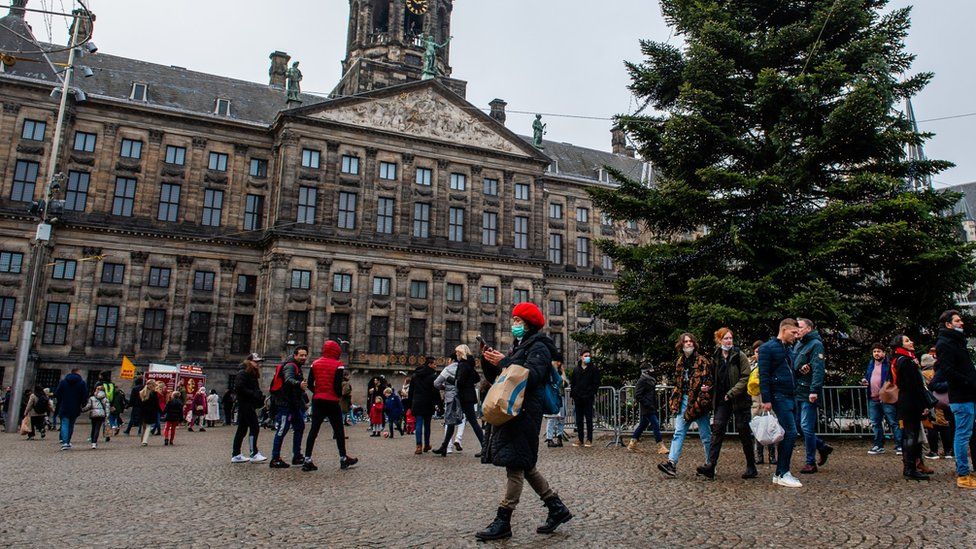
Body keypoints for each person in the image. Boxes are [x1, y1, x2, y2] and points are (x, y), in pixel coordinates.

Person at [476, 301, 571, 541]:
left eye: (517, 320)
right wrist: (489, 362)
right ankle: (556, 508)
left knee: (515, 466)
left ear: (528, 323)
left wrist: (505, 363)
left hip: (525, 412)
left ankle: (503, 520)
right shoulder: (521, 345)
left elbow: (533, 376)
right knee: (525, 464)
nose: (514, 324)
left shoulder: (539, 346)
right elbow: (503, 377)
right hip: (515, 410)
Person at [696, 328, 756, 480]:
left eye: (730, 338)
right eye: (726, 338)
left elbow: (745, 377)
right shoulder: (716, 356)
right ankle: (711, 465)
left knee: (744, 433)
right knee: (717, 430)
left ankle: (751, 466)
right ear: (719, 340)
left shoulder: (739, 355)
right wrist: (708, 387)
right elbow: (713, 377)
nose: (729, 341)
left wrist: (732, 392)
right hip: (722, 399)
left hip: (739, 399)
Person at [657, 333, 713, 478]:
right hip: (684, 401)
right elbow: (678, 384)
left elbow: (708, 380)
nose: (688, 344)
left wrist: (704, 392)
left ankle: (710, 464)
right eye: (685, 342)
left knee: (706, 435)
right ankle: (671, 462)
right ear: (681, 345)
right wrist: (675, 401)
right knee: (679, 432)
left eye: (690, 341)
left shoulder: (702, 361)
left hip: (699, 401)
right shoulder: (680, 362)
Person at [934, 309, 976, 489]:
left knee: (967, 433)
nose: (962, 323)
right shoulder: (945, 343)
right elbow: (949, 371)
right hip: (961, 396)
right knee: (962, 434)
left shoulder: (957, 342)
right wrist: (968, 381)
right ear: (949, 324)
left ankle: (967, 471)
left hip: (969, 394)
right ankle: (963, 474)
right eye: (958, 321)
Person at [758, 318, 802, 488]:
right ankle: (783, 471)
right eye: (793, 333)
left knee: (788, 433)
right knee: (790, 432)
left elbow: (790, 370)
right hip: (779, 395)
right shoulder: (767, 348)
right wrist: (766, 399)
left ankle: (780, 472)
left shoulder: (788, 349)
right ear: (784, 330)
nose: (795, 336)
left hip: (790, 394)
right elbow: (764, 375)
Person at [302, 340, 358, 471]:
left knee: (313, 430)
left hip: (318, 400)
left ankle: (307, 459)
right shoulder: (338, 365)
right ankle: (343, 458)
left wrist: (317, 392)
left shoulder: (315, 363)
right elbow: (337, 385)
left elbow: (310, 383)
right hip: (332, 401)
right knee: (339, 430)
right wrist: (337, 395)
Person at [792, 319, 834, 473]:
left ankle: (810, 462)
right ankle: (822, 447)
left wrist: (814, 390)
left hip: (808, 391)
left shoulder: (816, 345)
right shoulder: (798, 344)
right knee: (798, 425)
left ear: (808, 328)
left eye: (800, 327)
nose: (797, 330)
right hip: (798, 390)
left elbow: (818, 368)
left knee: (806, 426)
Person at [890, 334, 930, 480]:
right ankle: (910, 467)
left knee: (910, 434)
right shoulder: (906, 361)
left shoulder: (898, 360)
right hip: (910, 401)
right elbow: (913, 386)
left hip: (905, 401)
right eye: (907, 340)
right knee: (911, 435)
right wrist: (923, 405)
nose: (911, 341)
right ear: (899, 345)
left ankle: (911, 466)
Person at [269, 346, 309, 469]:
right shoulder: (290, 366)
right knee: (282, 429)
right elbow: (288, 379)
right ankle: (275, 458)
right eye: (301, 355)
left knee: (300, 426)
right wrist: (299, 384)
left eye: (305, 355)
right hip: (285, 404)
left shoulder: (297, 366)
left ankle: (297, 456)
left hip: (293, 404)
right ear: (295, 355)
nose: (303, 357)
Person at [861, 343, 902, 455]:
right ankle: (878, 445)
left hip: (886, 398)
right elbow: (868, 376)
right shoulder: (871, 364)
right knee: (875, 423)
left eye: (879, 351)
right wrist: (865, 380)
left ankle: (900, 445)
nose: (876, 353)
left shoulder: (889, 363)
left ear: (884, 352)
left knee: (893, 422)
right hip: (873, 397)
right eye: (874, 351)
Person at [232, 354, 267, 463]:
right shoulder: (243, 373)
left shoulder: (251, 373)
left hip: (248, 403)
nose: (258, 364)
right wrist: (253, 394)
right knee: (254, 427)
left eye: (258, 362)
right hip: (245, 404)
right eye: (255, 362)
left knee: (242, 430)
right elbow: (239, 387)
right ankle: (254, 453)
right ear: (249, 361)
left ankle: (236, 454)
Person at [628, 365, 667, 454]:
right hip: (647, 407)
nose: (652, 371)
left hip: (650, 406)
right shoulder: (642, 380)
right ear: (646, 371)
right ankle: (660, 446)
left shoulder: (650, 380)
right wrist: (647, 404)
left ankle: (632, 444)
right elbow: (638, 395)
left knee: (643, 425)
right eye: (651, 369)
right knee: (655, 424)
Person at [569, 349, 601, 447]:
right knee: (579, 420)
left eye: (589, 356)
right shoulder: (576, 369)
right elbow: (573, 383)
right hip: (578, 398)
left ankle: (589, 439)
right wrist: (574, 394)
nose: (587, 357)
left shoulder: (593, 369)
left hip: (588, 397)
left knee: (589, 419)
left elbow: (596, 383)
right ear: (581, 357)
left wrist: (591, 393)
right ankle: (580, 439)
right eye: (585, 355)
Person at [408, 356, 438, 454]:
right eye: (434, 364)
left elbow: (411, 391)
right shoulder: (433, 376)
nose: (436, 366)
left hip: (417, 402)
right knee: (427, 425)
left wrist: (409, 404)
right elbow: (435, 392)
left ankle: (418, 446)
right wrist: (439, 405)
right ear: (429, 364)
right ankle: (427, 445)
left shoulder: (415, 375)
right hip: (428, 402)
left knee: (418, 424)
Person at [54, 368, 88, 450]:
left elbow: (57, 393)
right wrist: (82, 404)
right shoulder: (81, 383)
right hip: (75, 406)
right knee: (71, 424)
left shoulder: (63, 382)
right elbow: (85, 395)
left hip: (64, 405)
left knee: (64, 423)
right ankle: (68, 441)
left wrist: (60, 401)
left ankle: (64, 442)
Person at [545, 354, 570, 449]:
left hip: (561, 396)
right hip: (552, 397)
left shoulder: (560, 372)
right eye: (557, 362)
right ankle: (549, 438)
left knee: (561, 418)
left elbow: (565, 383)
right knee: (552, 418)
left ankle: (559, 436)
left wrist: (563, 372)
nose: (559, 363)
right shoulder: (549, 371)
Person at [138, 380, 160, 447]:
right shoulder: (154, 393)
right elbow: (156, 404)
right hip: (151, 411)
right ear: (152, 386)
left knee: (144, 426)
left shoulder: (141, 392)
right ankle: (144, 441)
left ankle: (142, 440)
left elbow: (139, 403)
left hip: (142, 411)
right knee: (148, 426)